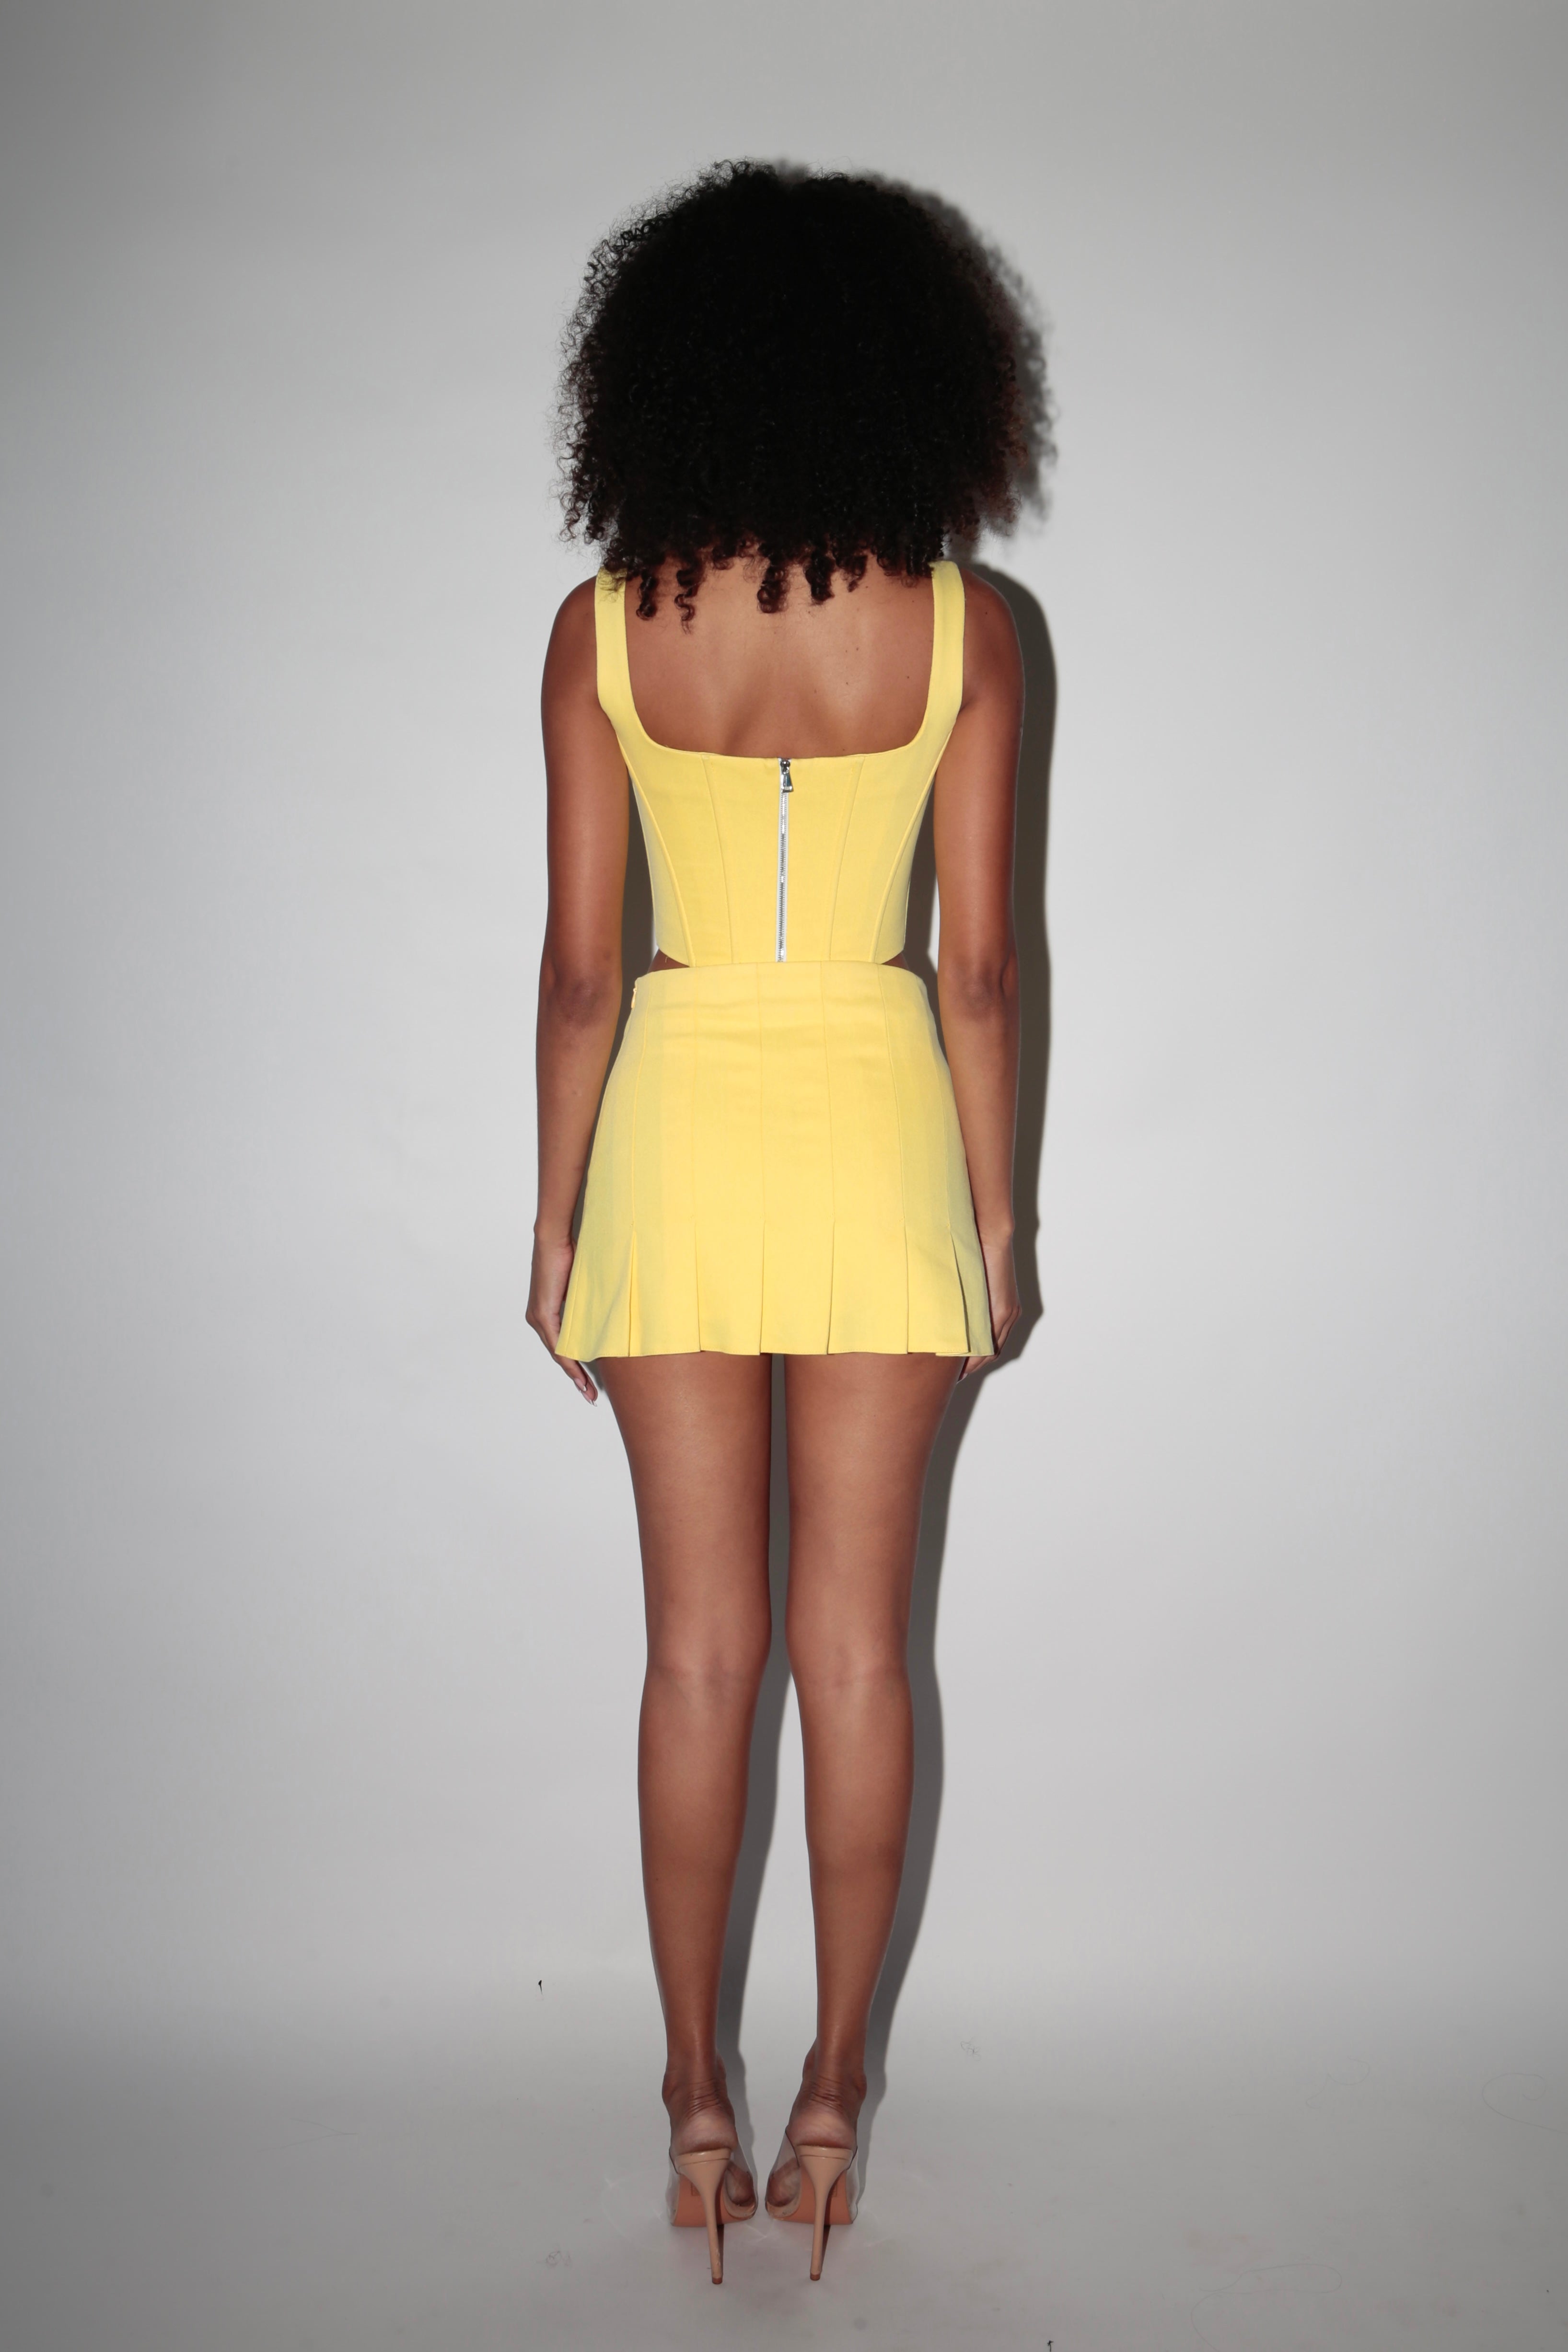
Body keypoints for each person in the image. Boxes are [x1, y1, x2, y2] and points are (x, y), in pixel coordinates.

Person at [528, 162, 1045, 2283]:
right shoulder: (966, 631)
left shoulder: (602, 628)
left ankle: (691, 2105)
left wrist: (553, 1224)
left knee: (693, 1653)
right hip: (873, 1123)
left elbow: (582, 972)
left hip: (672, 1130)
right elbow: (980, 971)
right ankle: (830, 2097)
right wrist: (997, 1221)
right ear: (915, 375)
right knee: (855, 1646)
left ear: (661, 373)